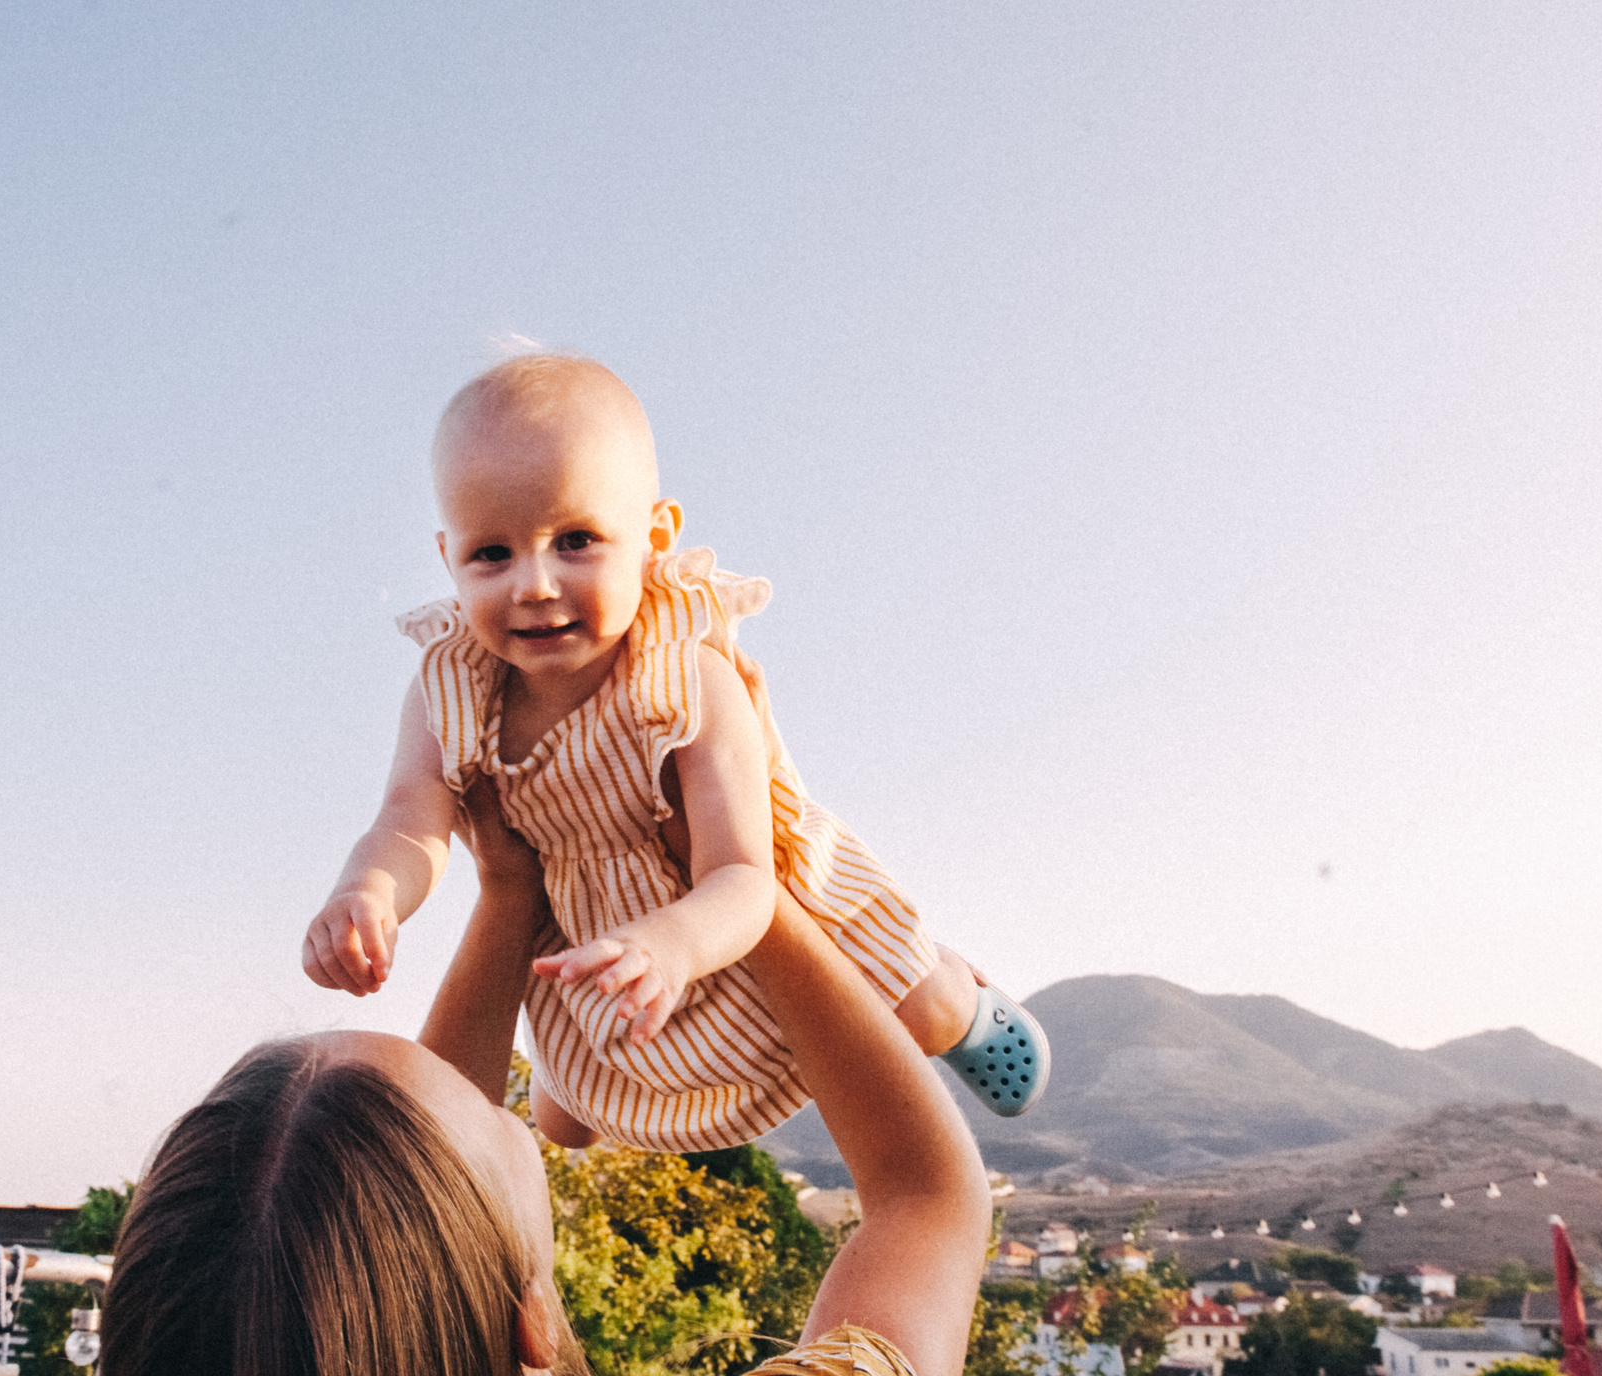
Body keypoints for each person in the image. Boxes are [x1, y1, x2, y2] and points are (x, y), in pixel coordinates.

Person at [102, 779, 994, 1376]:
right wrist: (749, 896)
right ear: (531, 1322)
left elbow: (420, 1239)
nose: (490, 1090)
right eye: (497, 1116)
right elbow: (926, 1201)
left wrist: (511, 891)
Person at [302, 354, 1047, 1152]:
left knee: (918, 1016)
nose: (535, 582)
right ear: (449, 556)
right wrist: (371, 891)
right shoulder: (448, 689)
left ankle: (961, 995)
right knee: (566, 1126)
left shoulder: (682, 675)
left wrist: (673, 943)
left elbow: (741, 874)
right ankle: (576, 1068)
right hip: (587, 930)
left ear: (654, 539)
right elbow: (411, 819)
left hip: (731, 908)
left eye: (577, 540)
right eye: (493, 554)